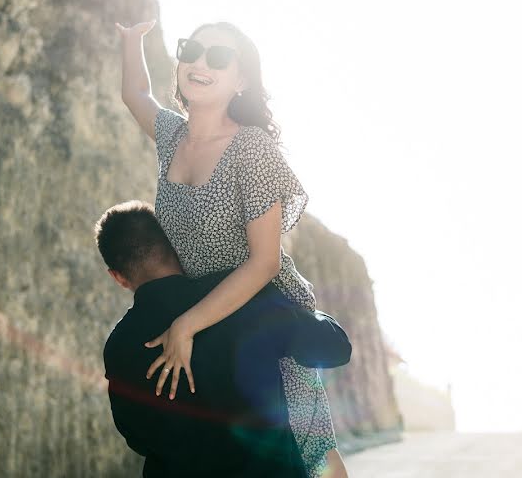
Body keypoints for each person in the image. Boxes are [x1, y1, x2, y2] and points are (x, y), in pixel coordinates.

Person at [115, 18, 348, 477]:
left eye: (218, 58)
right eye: (193, 50)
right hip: (209, 314)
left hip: (263, 314)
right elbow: (135, 95)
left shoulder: (252, 149)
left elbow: (266, 262)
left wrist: (185, 326)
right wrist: (131, 42)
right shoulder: (172, 138)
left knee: (309, 449)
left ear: (240, 80)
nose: (200, 63)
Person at [96, 200, 352, 477]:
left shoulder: (118, 347)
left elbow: (137, 438)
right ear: (174, 243)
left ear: (117, 276)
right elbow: (335, 348)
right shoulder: (241, 298)